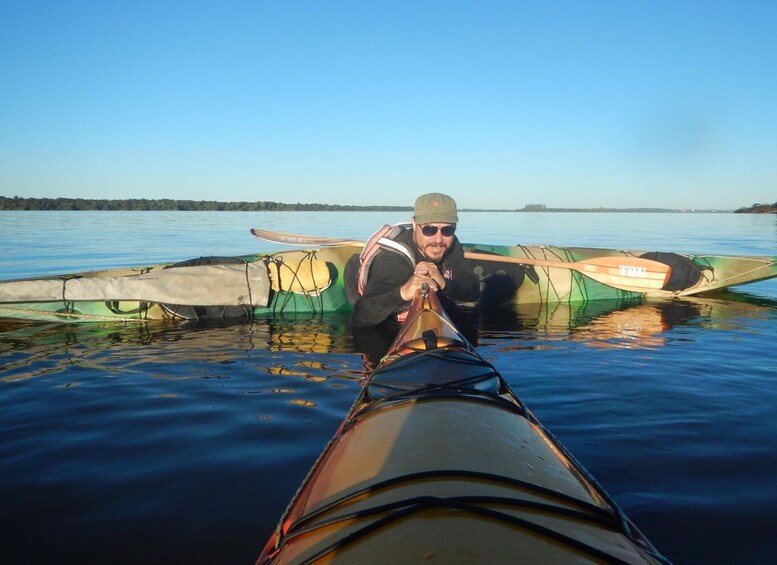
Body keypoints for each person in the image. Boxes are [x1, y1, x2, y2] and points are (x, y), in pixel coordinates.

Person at [351, 192, 480, 327]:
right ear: (414, 224)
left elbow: (473, 290)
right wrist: (404, 292)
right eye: (429, 229)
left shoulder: (449, 243)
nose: (438, 239)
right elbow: (361, 314)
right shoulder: (392, 262)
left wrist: (444, 283)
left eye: (448, 230)